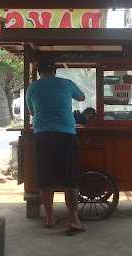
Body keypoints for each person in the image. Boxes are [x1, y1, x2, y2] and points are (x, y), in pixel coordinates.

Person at [26, 57, 87, 236]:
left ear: (39, 71)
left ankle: (50, 218)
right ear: (55, 70)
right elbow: (82, 97)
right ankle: (74, 220)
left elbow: (32, 112)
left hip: (43, 135)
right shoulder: (66, 83)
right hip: (66, 134)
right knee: (70, 179)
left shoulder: (32, 87)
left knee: (46, 179)